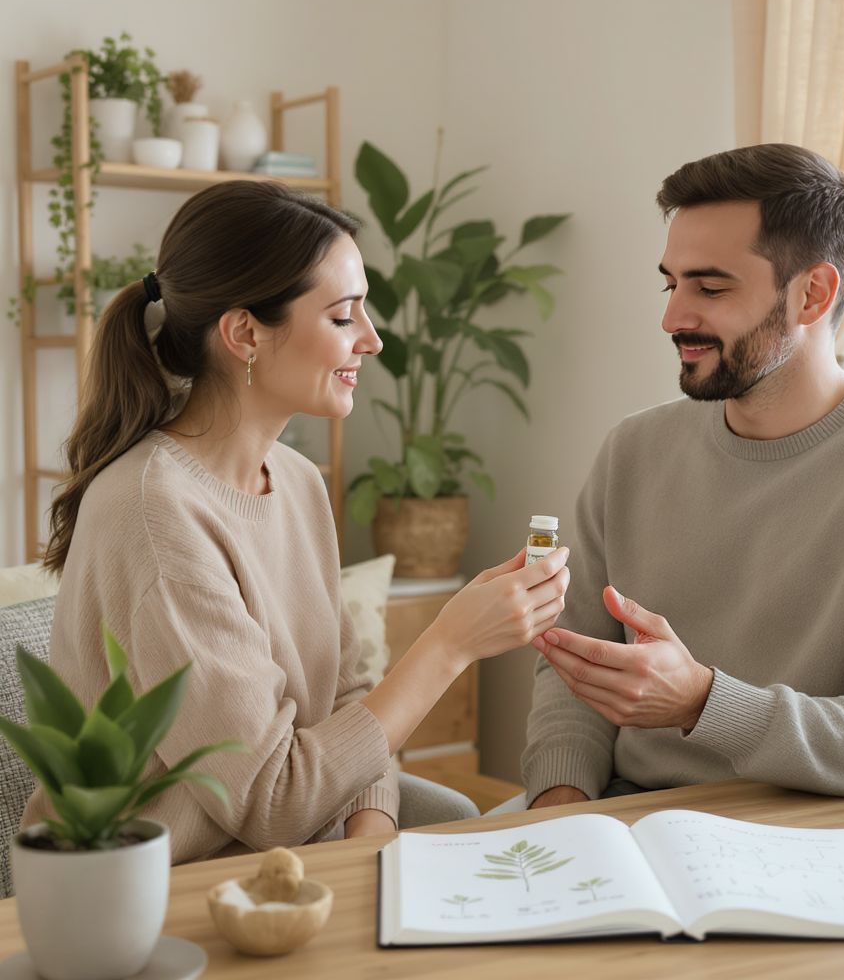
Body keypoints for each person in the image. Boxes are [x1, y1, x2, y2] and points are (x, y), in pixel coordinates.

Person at [23, 180, 569, 863]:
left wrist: (368, 842)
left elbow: (347, 699)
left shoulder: (300, 483)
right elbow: (273, 801)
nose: (371, 341)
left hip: (306, 851)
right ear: (245, 333)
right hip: (172, 885)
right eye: (344, 318)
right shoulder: (154, 515)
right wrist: (449, 644)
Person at [521, 143, 844, 815]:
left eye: (710, 288)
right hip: (624, 815)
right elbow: (575, 670)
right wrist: (561, 799)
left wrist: (702, 702)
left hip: (826, 835)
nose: (673, 318)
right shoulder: (633, 450)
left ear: (814, 293)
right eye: (672, 283)